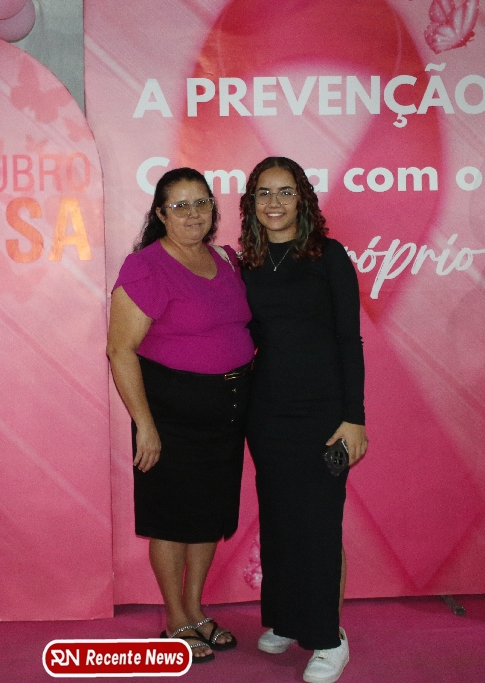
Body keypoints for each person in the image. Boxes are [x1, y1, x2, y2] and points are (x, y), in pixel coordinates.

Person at [106, 167, 255, 663]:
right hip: (170, 415)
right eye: (180, 205)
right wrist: (145, 426)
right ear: (161, 214)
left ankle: (195, 608)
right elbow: (120, 350)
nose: (193, 213)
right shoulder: (146, 267)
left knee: (207, 516)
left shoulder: (225, 259)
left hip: (226, 414)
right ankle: (175, 618)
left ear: (214, 207)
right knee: (172, 519)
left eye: (201, 202)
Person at [238, 156, 368, 683]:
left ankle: (328, 638)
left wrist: (354, 418)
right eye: (264, 193)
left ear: (302, 199)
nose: (275, 203)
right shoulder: (246, 263)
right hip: (266, 414)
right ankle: (287, 620)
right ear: (252, 203)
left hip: (322, 414)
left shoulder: (328, 256)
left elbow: (349, 340)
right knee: (278, 521)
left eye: (285, 192)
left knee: (317, 525)